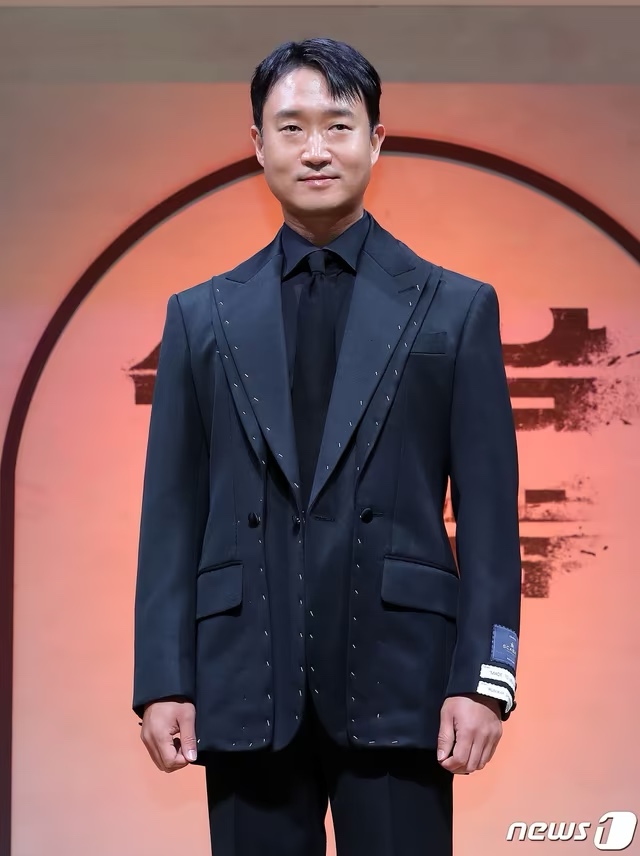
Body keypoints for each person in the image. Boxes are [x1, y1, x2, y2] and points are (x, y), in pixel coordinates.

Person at [132, 37, 522, 856]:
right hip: (244, 680)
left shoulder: (455, 310)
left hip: (404, 678)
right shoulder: (201, 317)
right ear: (258, 144)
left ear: (376, 140)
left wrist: (486, 683)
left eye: (338, 126)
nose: (316, 149)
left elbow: (491, 525)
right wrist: (163, 680)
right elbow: (171, 516)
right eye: (292, 127)